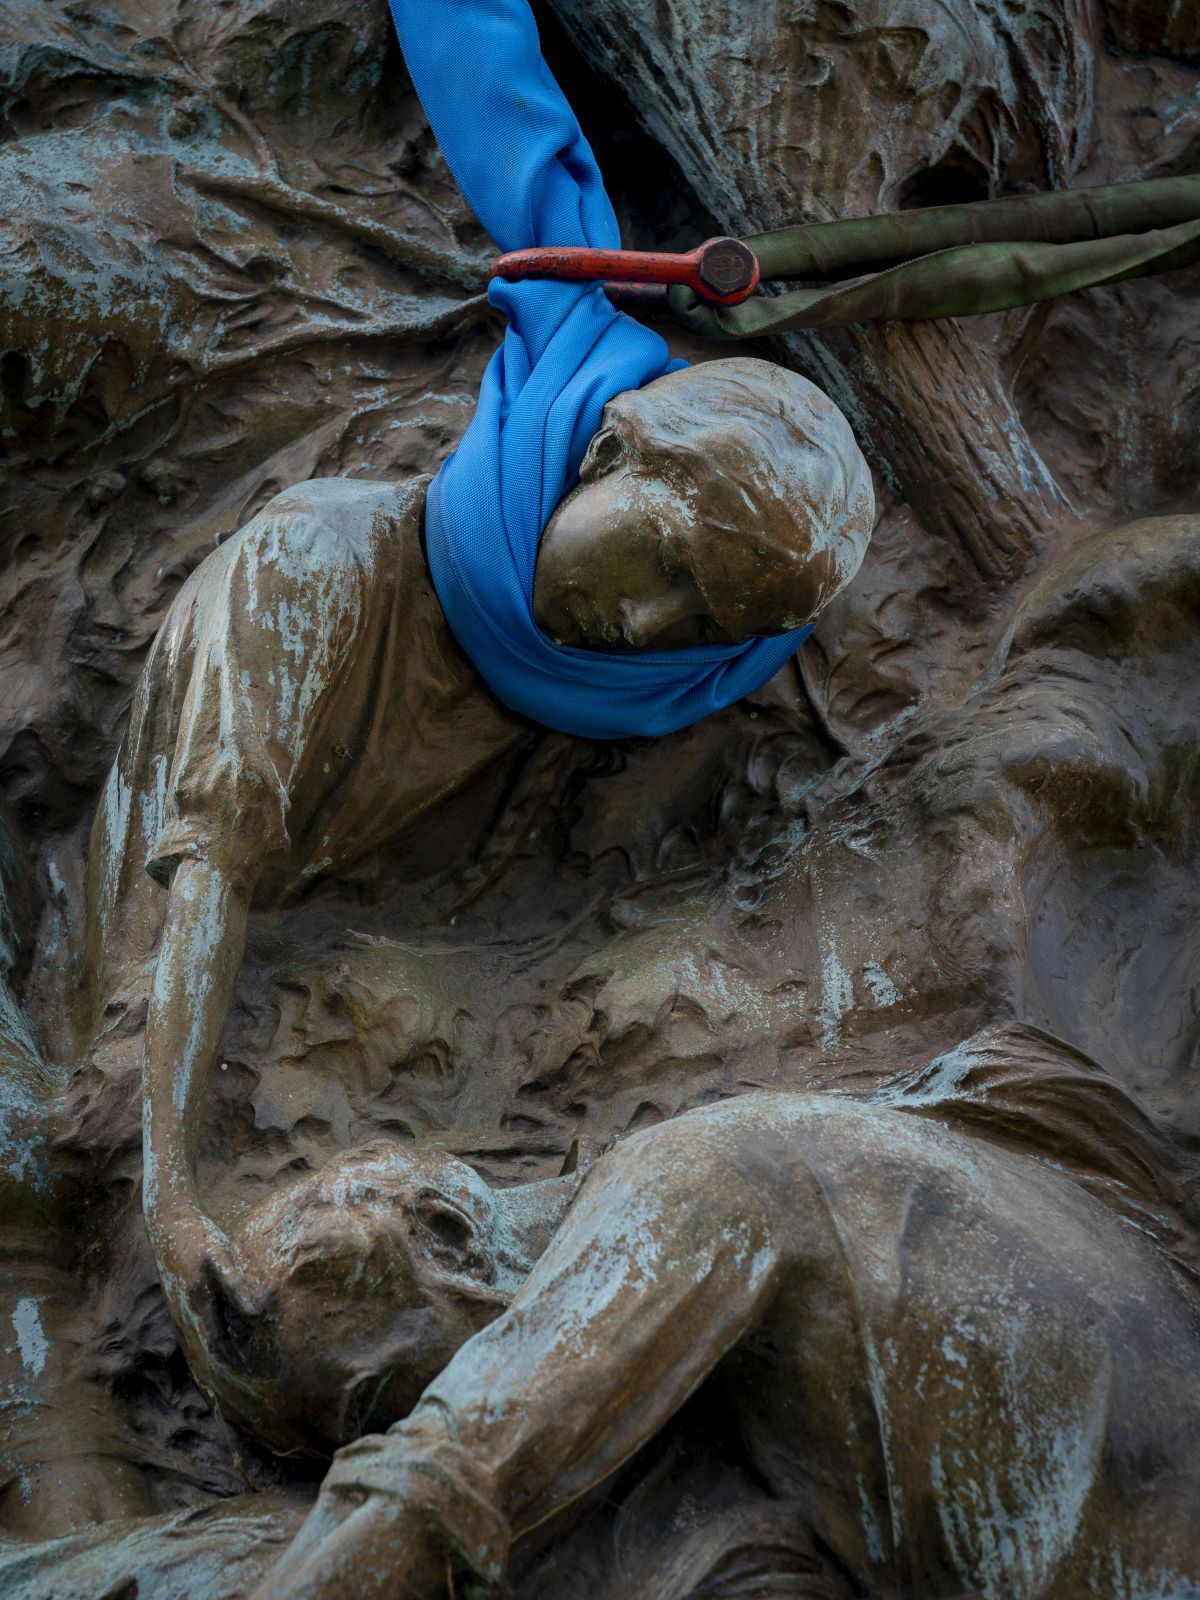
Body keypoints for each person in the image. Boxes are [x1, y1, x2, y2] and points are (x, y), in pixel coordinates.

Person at [77, 355, 872, 1415]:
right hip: (145, 1015)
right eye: (669, 561)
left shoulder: (588, 702)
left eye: (699, 626)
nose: (645, 626)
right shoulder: (314, 568)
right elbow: (209, 874)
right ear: (607, 453)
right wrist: (174, 1197)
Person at [239, 1027, 1200, 1600]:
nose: (413, 1411)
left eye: (387, 1400)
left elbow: (448, 1481)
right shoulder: (804, 1177)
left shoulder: (685, 1185)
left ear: (451, 1236)